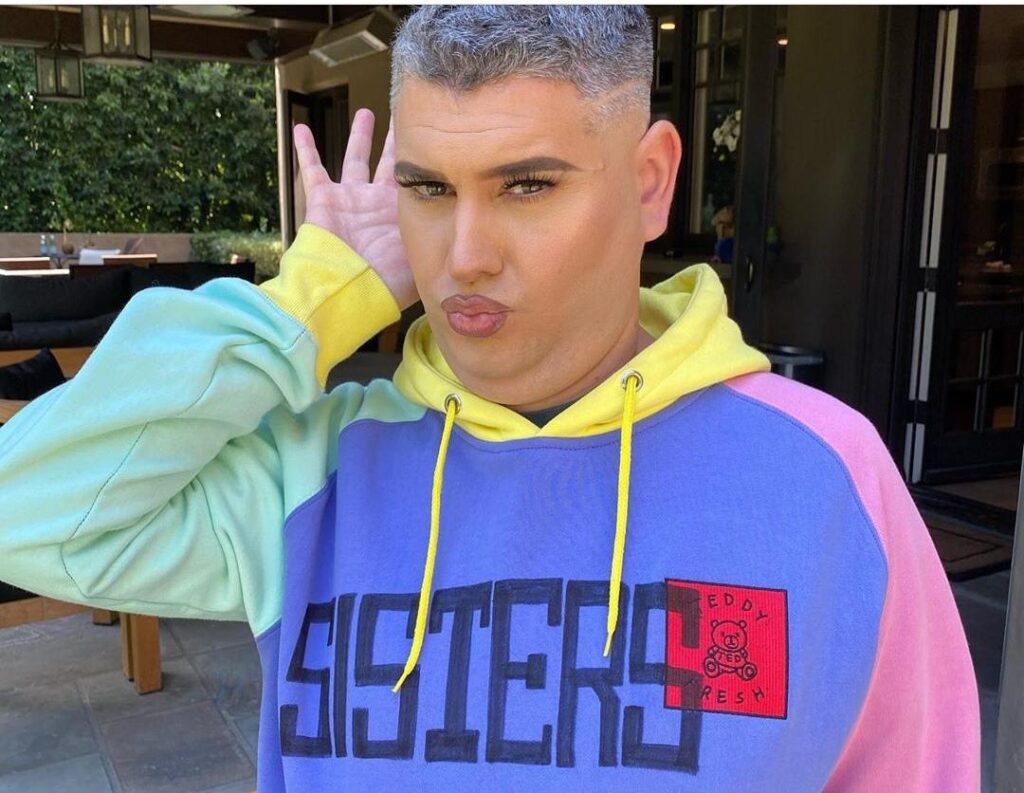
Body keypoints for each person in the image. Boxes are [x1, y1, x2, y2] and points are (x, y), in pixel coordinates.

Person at [0, 6, 979, 791]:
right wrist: (316, 296)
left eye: (526, 187)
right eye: (428, 189)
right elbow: (25, 512)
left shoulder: (821, 472)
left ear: (650, 182)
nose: (463, 256)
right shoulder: (314, 471)